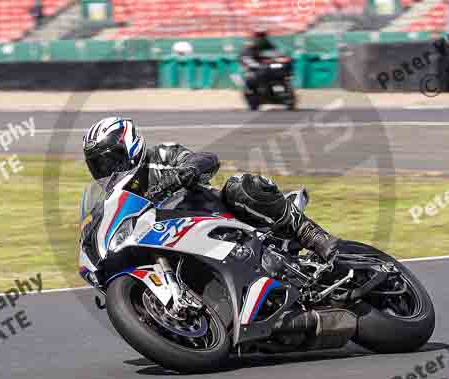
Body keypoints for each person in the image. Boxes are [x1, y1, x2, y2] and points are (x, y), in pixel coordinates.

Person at [82, 116, 339, 262]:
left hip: (221, 219)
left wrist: (187, 172)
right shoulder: (116, 200)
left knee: (239, 186)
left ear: (131, 146)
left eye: (110, 159)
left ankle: (313, 235)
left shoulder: (159, 156)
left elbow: (206, 158)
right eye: (98, 165)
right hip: (180, 245)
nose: (107, 169)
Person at [239, 29, 276, 95]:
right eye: (260, 35)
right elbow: (246, 54)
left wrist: (279, 57)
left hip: (260, 59)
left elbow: (274, 50)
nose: (261, 37)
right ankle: (250, 88)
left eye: (262, 35)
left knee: (270, 68)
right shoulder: (251, 42)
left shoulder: (267, 42)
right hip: (249, 58)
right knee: (254, 70)